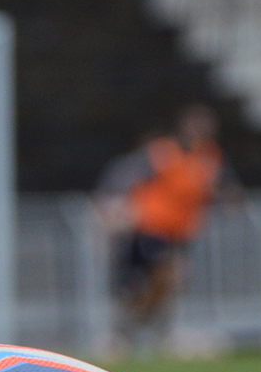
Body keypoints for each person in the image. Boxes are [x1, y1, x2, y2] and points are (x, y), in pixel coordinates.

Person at [99, 105, 235, 346]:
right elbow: (124, 176)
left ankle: (137, 328)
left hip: (181, 232)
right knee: (164, 276)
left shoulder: (209, 157)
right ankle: (132, 329)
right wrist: (116, 208)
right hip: (151, 228)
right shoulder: (164, 152)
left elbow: (222, 186)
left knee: (166, 284)